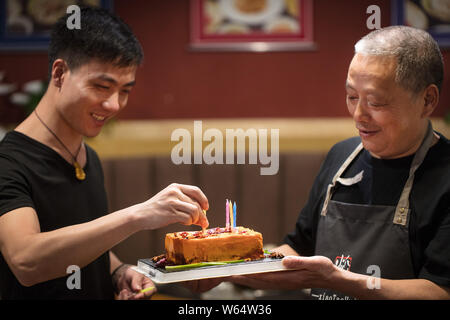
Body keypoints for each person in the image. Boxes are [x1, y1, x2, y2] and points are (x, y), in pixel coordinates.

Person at [222, 26, 450, 299]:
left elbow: (438, 290)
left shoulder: (444, 176)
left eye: (375, 102)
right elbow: (298, 249)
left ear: (427, 100)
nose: (358, 115)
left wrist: (338, 280)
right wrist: (222, 267)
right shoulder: (341, 157)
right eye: (352, 97)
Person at [0, 7, 209, 300]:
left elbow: (83, 241)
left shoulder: (87, 157)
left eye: (125, 90)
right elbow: (26, 260)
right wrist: (139, 214)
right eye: (102, 86)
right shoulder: (9, 163)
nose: (114, 105)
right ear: (60, 73)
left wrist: (118, 271)